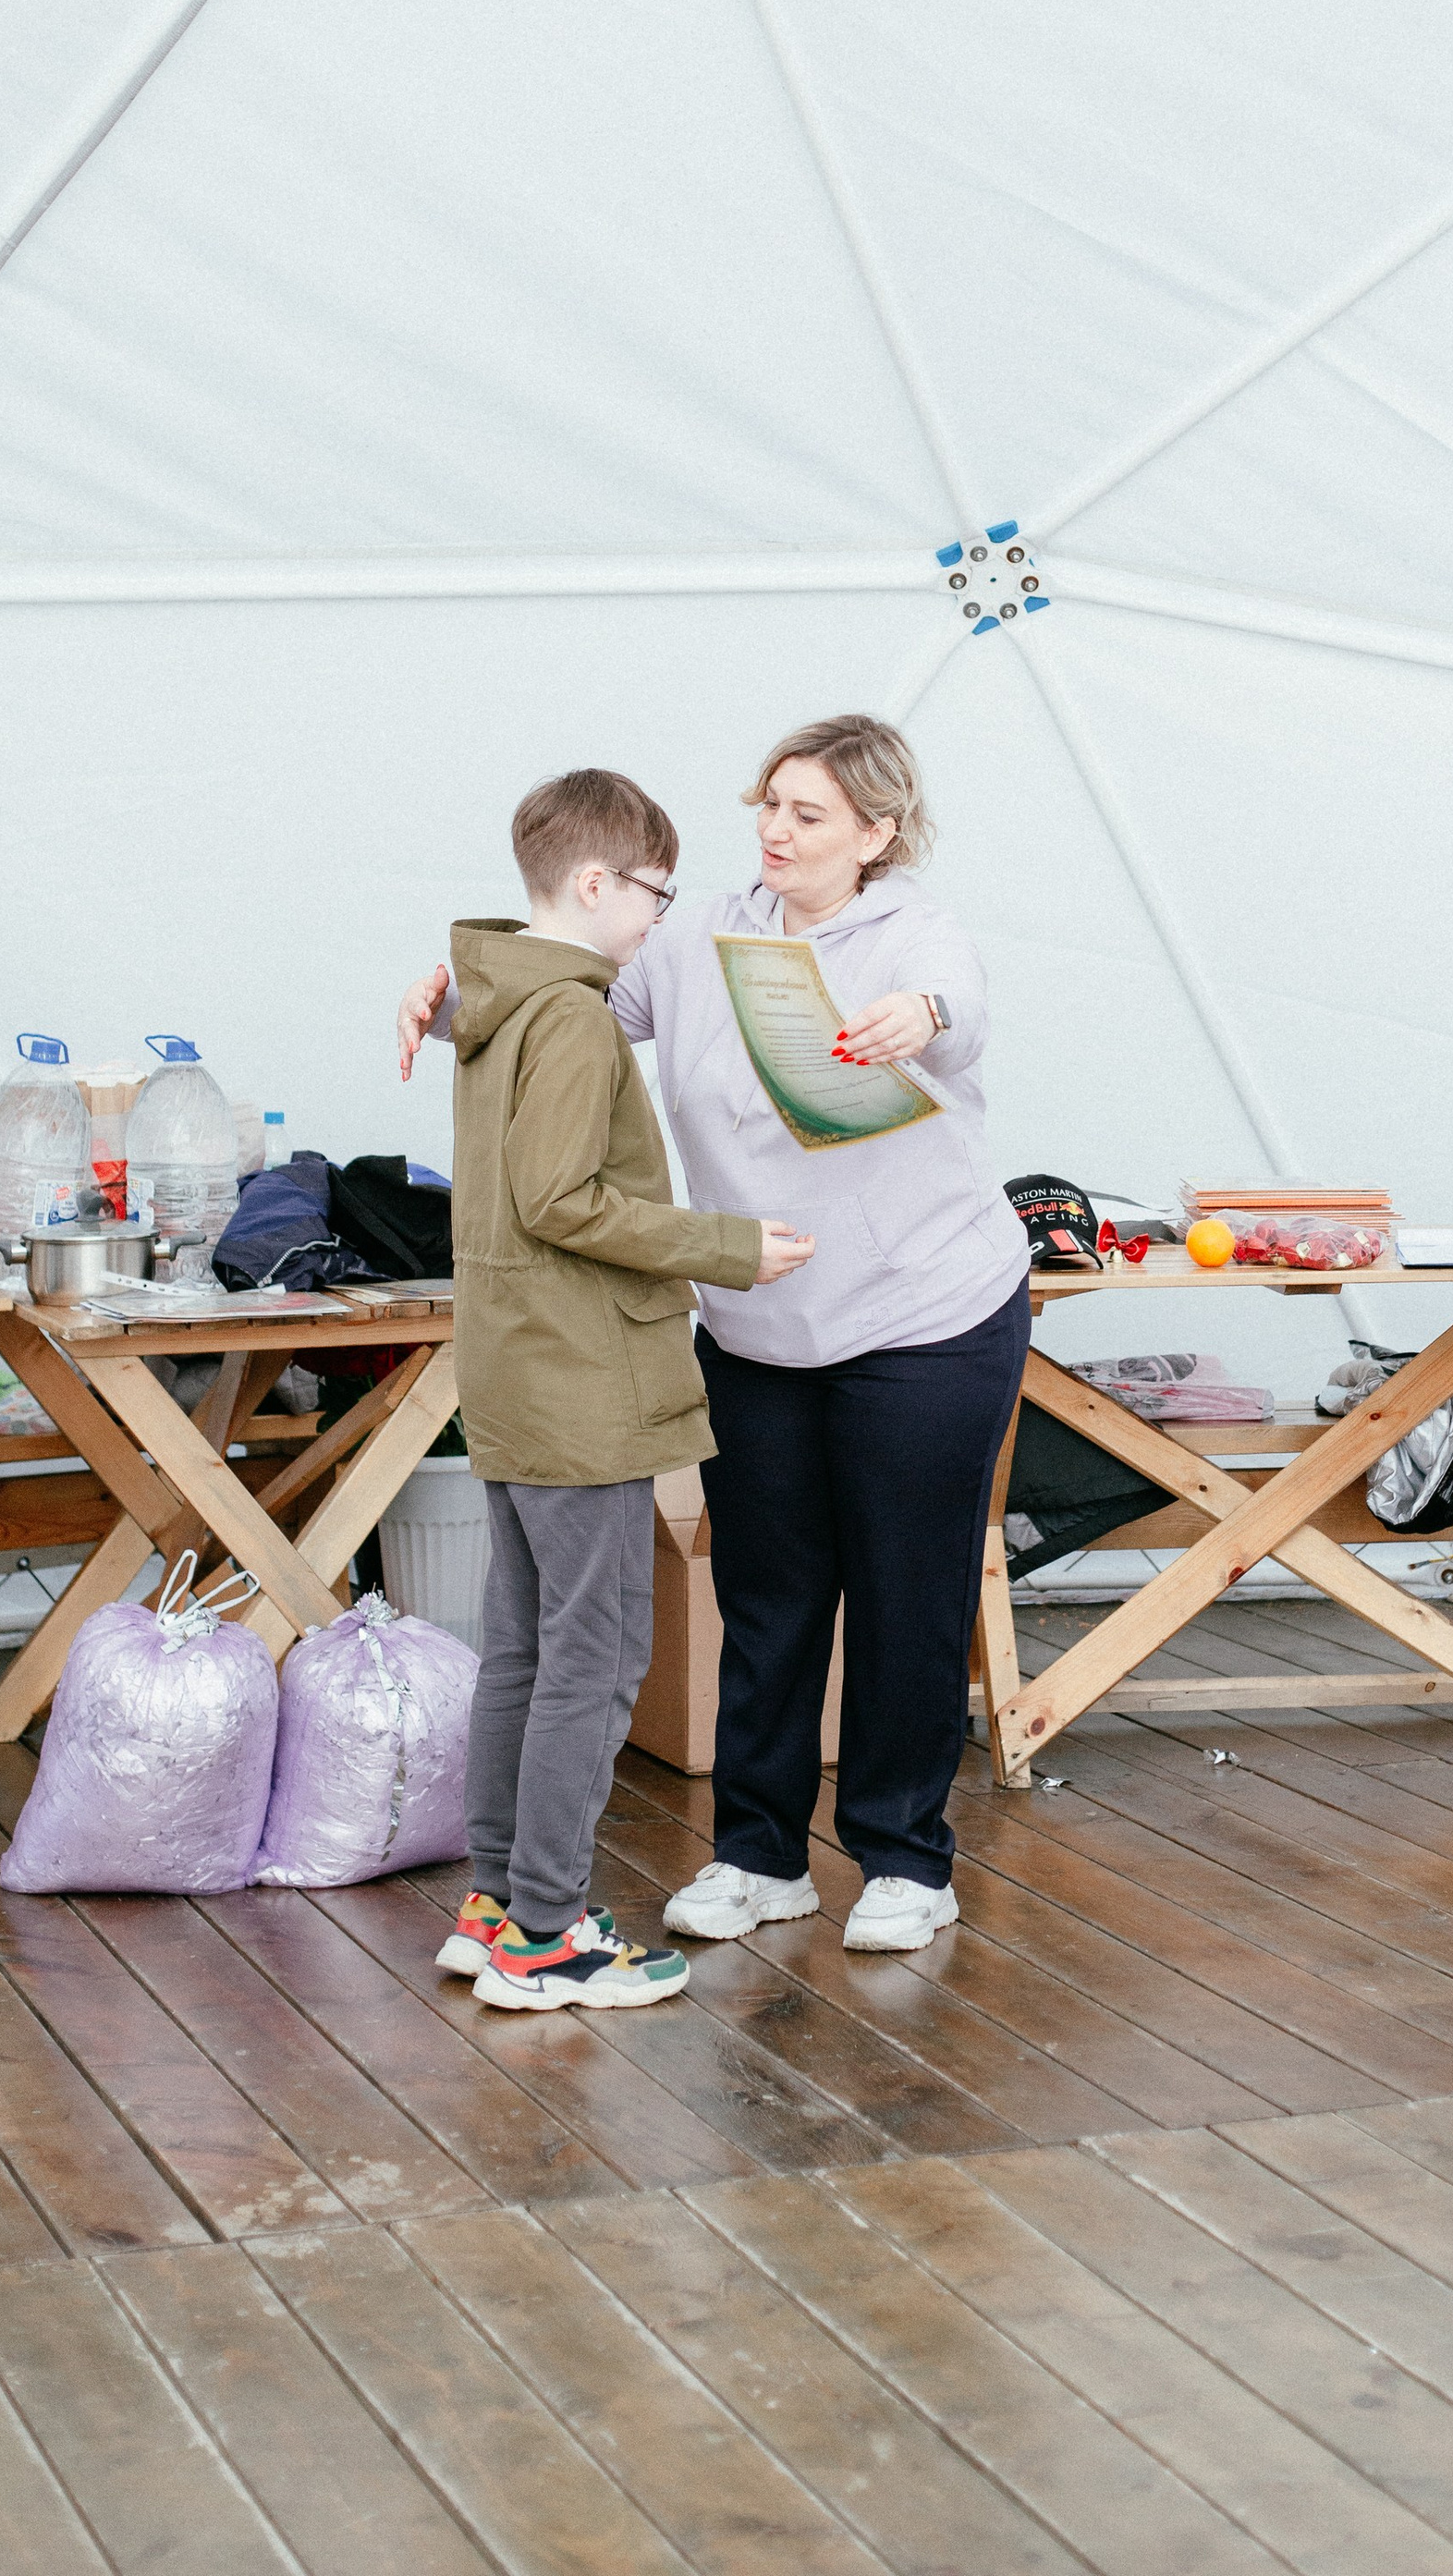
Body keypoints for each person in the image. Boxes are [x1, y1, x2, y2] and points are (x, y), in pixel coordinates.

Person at [400, 713, 1028, 1955]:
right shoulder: (698, 929)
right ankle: (758, 1855)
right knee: (768, 1593)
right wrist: (456, 997)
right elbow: (571, 985)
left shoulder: (915, 934)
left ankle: (907, 1861)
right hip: (757, 1325)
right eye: (770, 805)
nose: (776, 831)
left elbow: (956, 1006)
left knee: (907, 1595)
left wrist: (916, 1016)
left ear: (876, 833)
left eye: (808, 814)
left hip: (925, 1315)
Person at [424, 765, 814, 2014]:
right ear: (594, 883)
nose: (659, 916)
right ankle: (544, 1934)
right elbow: (561, 1203)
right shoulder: (574, 1019)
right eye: (654, 889)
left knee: (527, 1651)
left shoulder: (497, 1004)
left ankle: (499, 1905)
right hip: (578, 1382)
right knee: (592, 1659)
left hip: (517, 1375)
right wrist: (729, 1245)